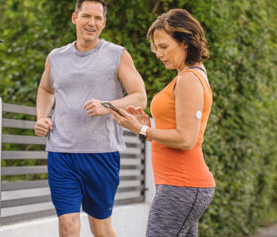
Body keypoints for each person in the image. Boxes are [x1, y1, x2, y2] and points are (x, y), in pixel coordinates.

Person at [34, 0, 147, 236]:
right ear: (75, 18)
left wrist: (108, 106)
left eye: (97, 18)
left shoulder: (118, 55)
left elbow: (139, 97)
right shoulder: (55, 57)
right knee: (68, 225)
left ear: (104, 23)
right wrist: (41, 117)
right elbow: (46, 89)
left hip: (102, 154)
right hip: (61, 154)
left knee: (101, 230)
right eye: (86, 16)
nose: (91, 23)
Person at [108, 9, 215, 237]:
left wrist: (142, 129)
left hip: (183, 184)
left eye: (164, 47)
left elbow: (186, 140)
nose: (158, 53)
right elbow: (178, 129)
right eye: (156, 47)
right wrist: (148, 127)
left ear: (185, 42)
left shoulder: (188, 79)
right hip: (180, 184)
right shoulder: (190, 75)